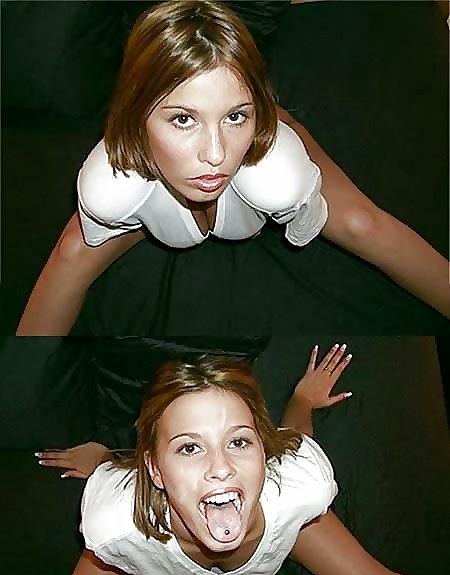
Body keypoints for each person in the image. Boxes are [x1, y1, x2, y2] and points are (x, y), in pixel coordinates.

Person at [16, 0, 450, 336]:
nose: (215, 155)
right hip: (157, 134)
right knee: (72, 251)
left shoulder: (270, 157)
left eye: (236, 117)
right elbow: (68, 261)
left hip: (250, 110)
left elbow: (368, 226)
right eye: (183, 120)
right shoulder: (123, 183)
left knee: (359, 222)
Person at [31, 345, 450, 575]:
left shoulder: (301, 490)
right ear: (154, 470)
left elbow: (293, 444)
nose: (221, 468)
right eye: (190, 447)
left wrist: (302, 401)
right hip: (146, 518)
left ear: (261, 452)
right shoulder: (114, 526)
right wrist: (104, 463)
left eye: (238, 441)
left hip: (277, 512)